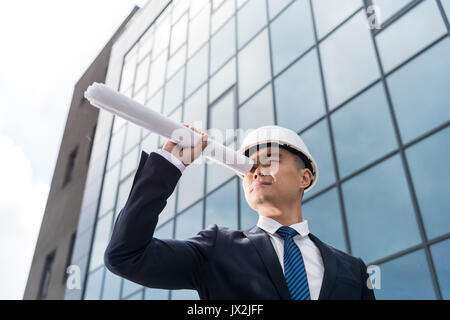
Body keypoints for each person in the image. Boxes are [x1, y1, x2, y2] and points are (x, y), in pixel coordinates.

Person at [104, 124, 376, 300]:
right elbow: (126, 255)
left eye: (269, 159)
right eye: (248, 166)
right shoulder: (217, 249)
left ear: (304, 178)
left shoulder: (353, 271)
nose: (256, 170)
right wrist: (169, 165)